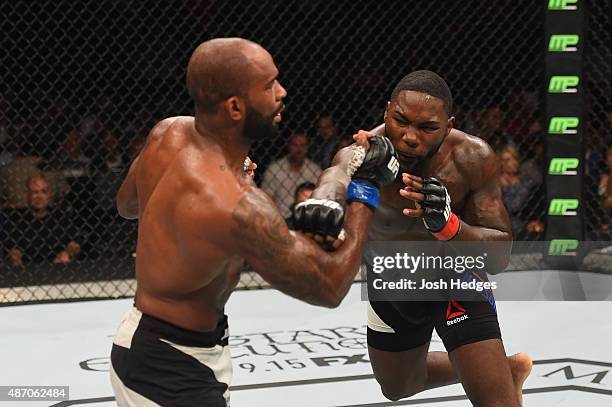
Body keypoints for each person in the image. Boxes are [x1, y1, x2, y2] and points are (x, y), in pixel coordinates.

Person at [110, 37, 399, 406]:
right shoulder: (235, 205)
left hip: (149, 344)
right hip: (170, 371)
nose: (282, 92)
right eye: (269, 86)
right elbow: (329, 286)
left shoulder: (166, 133)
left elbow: (127, 205)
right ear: (234, 107)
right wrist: (365, 190)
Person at [295, 70, 532, 406]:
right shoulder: (366, 153)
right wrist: (324, 196)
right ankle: (497, 369)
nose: (408, 137)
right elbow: (337, 173)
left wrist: (450, 226)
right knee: (398, 387)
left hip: (453, 279)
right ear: (386, 111)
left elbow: (500, 257)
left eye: (426, 128)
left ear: (448, 125)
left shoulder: (471, 158)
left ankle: (489, 375)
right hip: (392, 283)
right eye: (400, 121)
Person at [261, 130, 321, 218]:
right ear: (288, 146)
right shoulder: (274, 169)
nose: (299, 149)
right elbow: (266, 199)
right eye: (295, 145)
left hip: (307, 218)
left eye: (302, 145)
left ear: (307, 147)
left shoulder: (315, 170)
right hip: (281, 218)